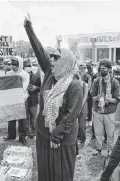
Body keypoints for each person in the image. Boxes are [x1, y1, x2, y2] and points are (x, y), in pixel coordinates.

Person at [24, 14, 83, 181]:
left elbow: (72, 115)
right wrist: (29, 28)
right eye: (51, 58)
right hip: (43, 133)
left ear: (66, 61)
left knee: (61, 172)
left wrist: (56, 136)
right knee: (45, 170)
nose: (52, 60)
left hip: (62, 137)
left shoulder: (74, 85)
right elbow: (40, 51)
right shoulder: (50, 74)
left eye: (56, 58)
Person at [91, 60, 120, 156]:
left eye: (104, 68)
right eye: (100, 69)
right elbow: (92, 97)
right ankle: (98, 149)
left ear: (109, 69)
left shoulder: (115, 82)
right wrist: (99, 97)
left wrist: (106, 99)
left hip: (110, 112)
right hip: (98, 111)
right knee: (98, 132)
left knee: (110, 133)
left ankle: (110, 150)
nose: (101, 70)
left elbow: (117, 99)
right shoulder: (96, 81)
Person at [3, 56, 30, 146]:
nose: (13, 66)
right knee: (11, 118)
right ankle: (11, 135)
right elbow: (5, 86)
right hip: (11, 100)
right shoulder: (8, 73)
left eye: (15, 64)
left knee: (22, 119)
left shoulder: (25, 74)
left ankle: (22, 137)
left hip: (22, 100)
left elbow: (24, 88)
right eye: (11, 64)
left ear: (20, 64)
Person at [25, 60, 41, 138]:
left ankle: (34, 132)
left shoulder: (36, 77)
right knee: (26, 118)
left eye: (28, 66)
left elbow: (42, 87)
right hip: (24, 101)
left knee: (33, 118)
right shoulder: (21, 77)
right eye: (25, 67)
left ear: (31, 67)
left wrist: (36, 88)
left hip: (33, 101)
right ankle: (28, 132)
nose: (27, 68)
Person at [74, 72, 89, 147]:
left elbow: (85, 97)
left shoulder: (85, 85)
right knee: (74, 125)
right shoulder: (73, 85)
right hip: (74, 106)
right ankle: (76, 139)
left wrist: (79, 106)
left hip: (82, 107)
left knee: (82, 125)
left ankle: (83, 139)